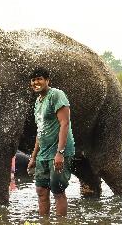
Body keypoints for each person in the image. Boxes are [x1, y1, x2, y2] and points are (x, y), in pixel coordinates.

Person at [27, 67, 75, 216]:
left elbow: (64, 123)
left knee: (57, 191)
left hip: (58, 152)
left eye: (39, 79)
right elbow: (40, 130)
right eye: (33, 80)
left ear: (47, 80)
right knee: (41, 191)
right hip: (43, 154)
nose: (36, 82)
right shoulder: (38, 101)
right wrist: (34, 156)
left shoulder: (56, 95)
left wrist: (60, 153)